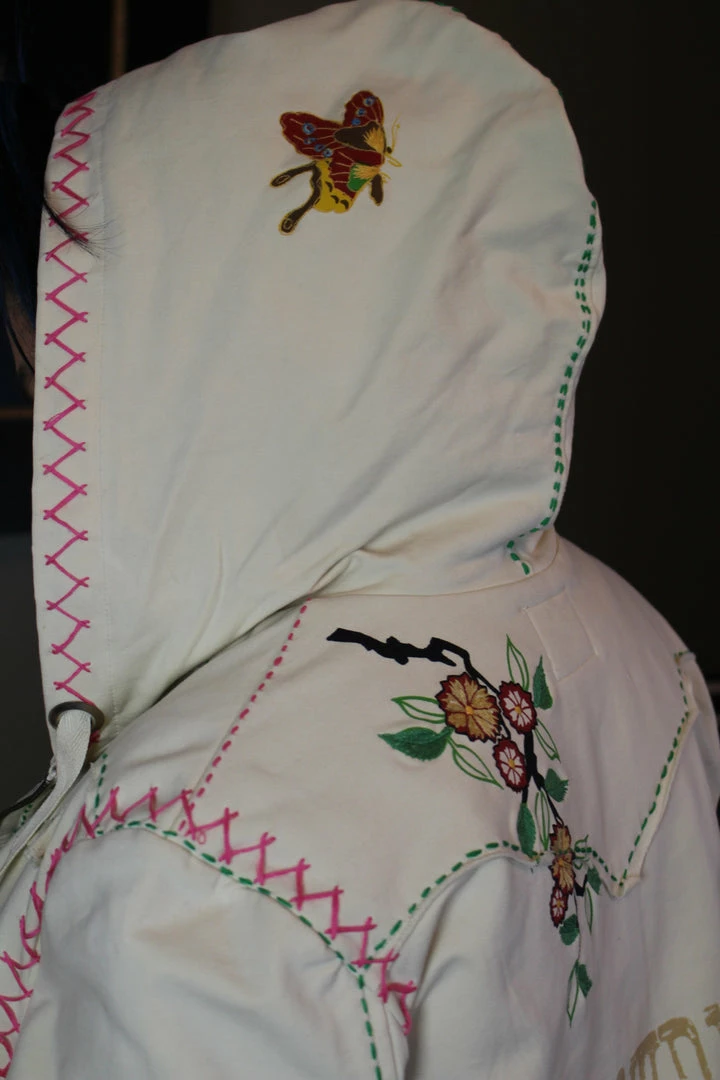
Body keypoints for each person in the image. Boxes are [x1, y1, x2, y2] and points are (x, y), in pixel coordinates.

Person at [1, 1, 718, 1077]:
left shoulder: (192, 877)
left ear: (191, 358)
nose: (50, 413)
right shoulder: (641, 642)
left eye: (63, 367)